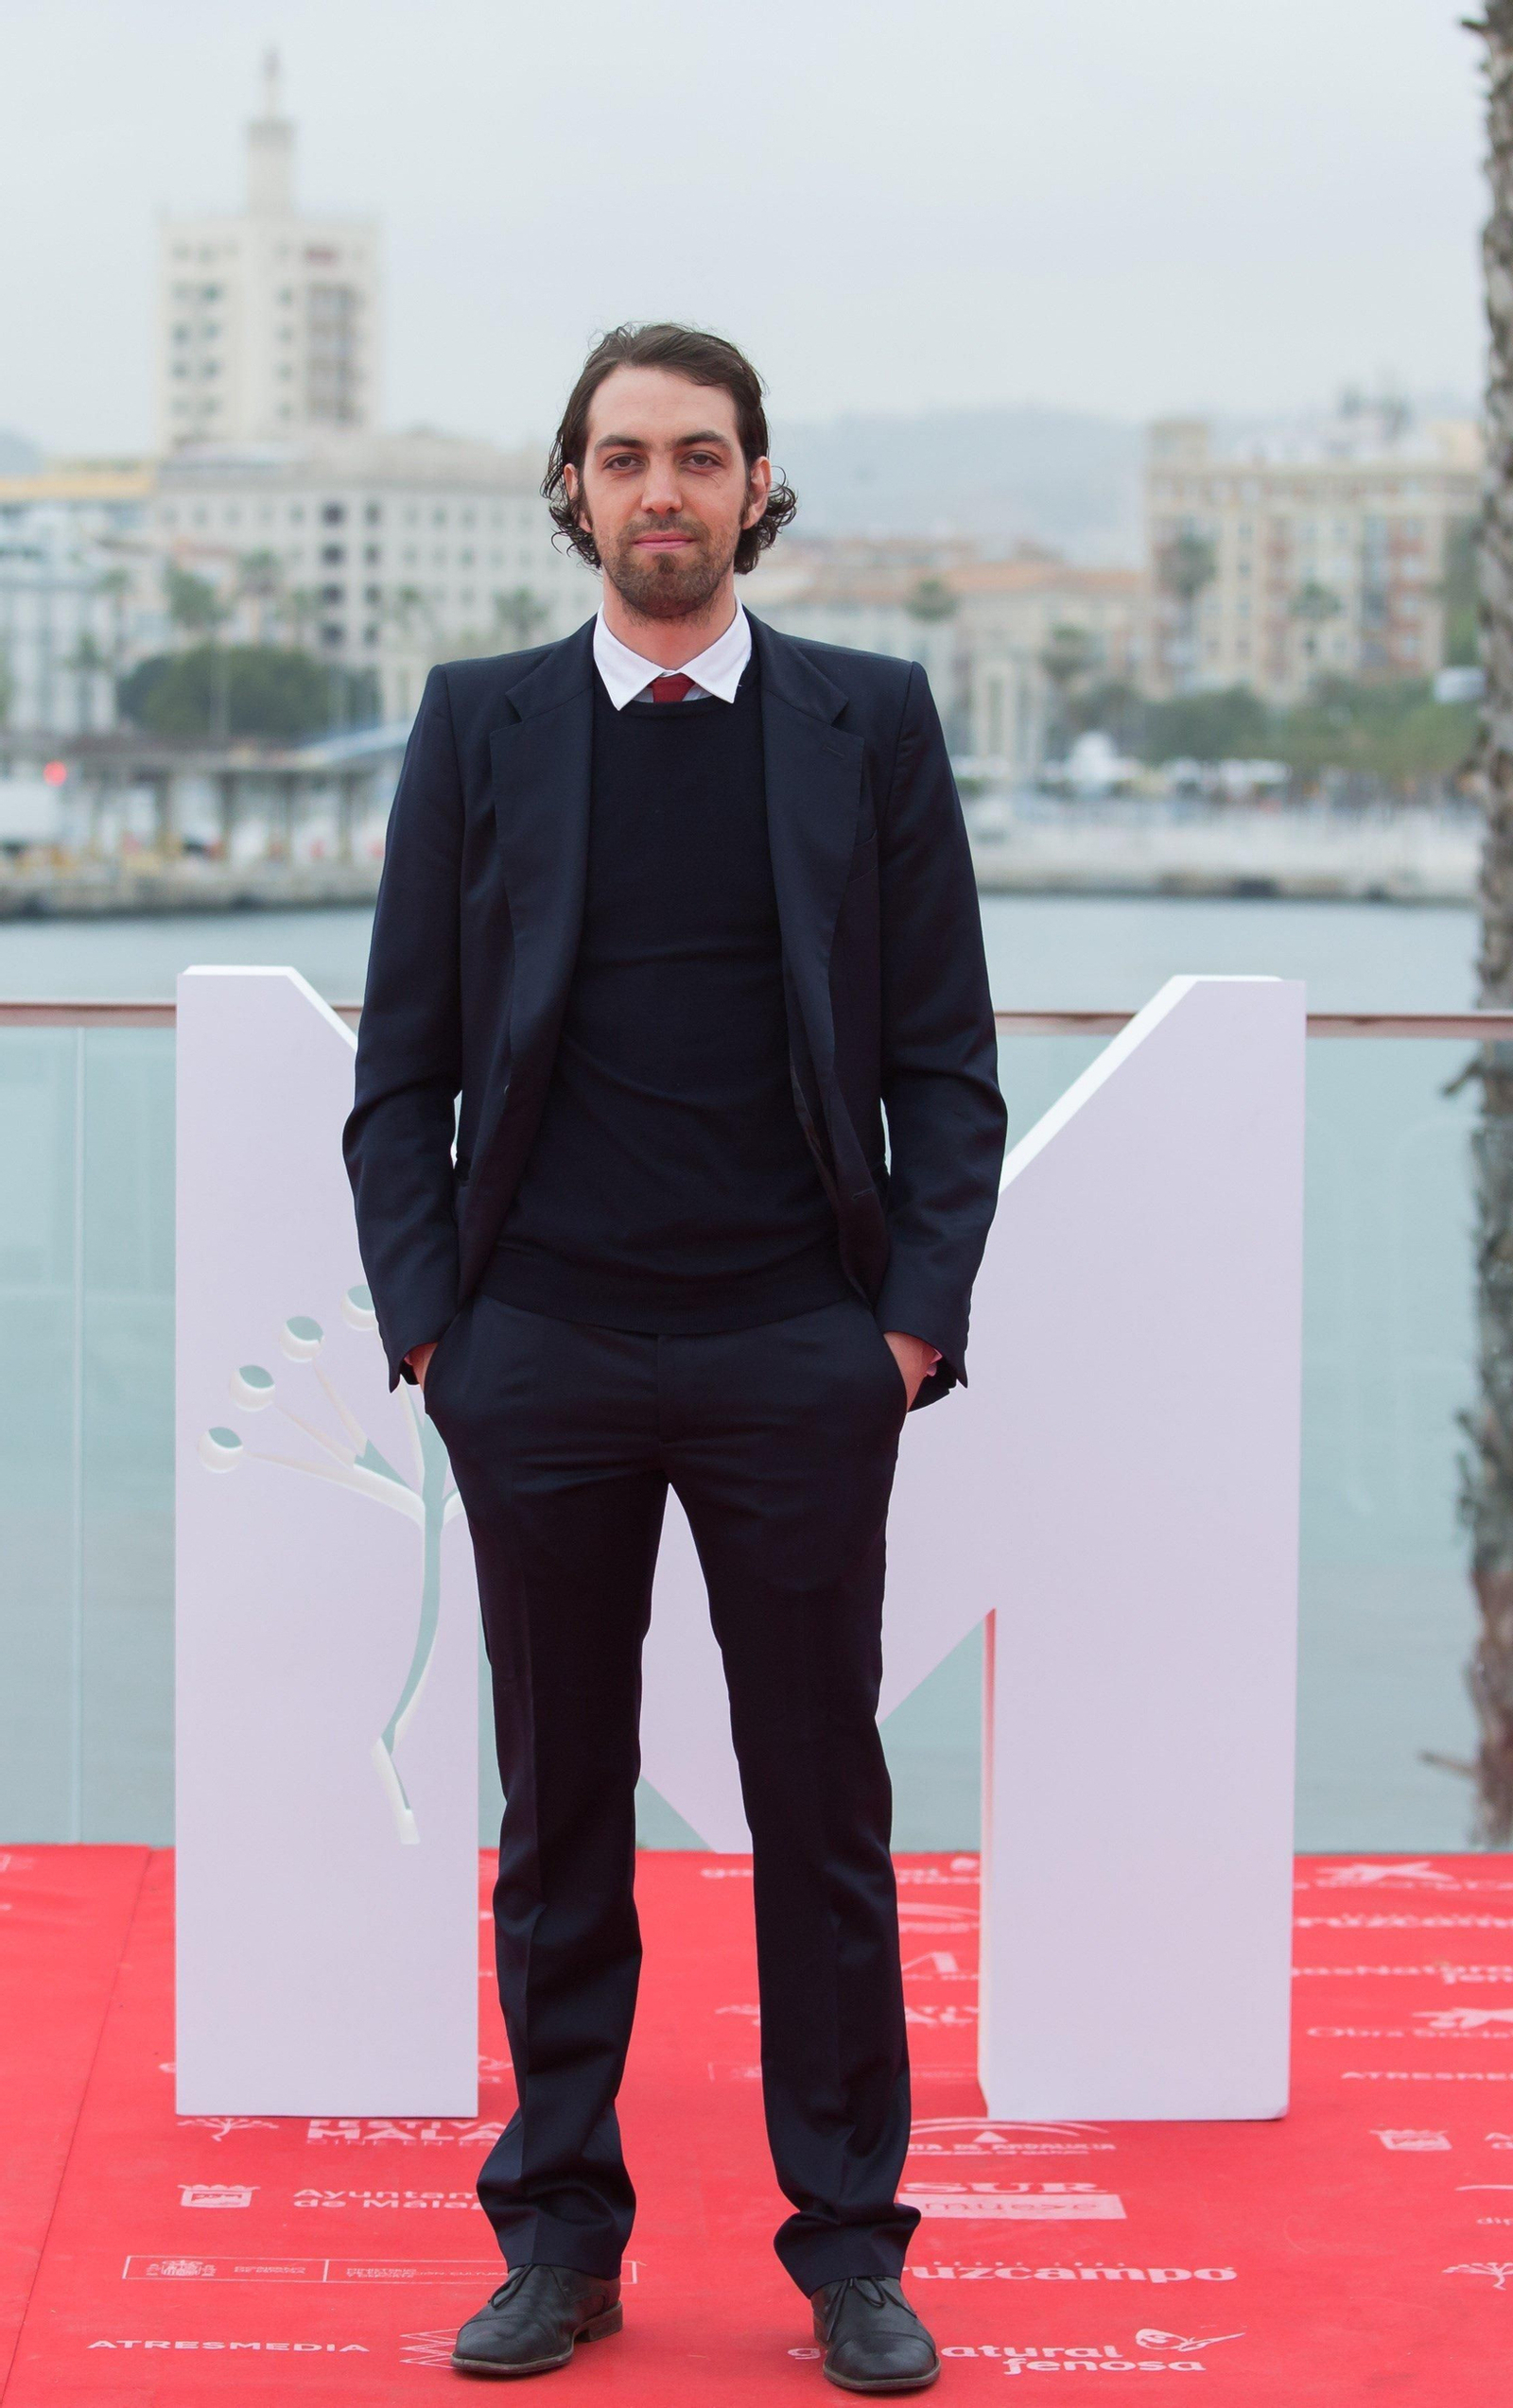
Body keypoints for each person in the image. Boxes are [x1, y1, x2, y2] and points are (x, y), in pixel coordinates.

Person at [343, 321, 1007, 2392]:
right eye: (622, 455)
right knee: (556, 1813)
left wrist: (897, 1329)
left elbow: (943, 1066)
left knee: (819, 1808)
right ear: (570, 488)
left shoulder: (863, 722)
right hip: (539, 1348)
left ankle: (846, 2251)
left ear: (751, 486)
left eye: (697, 456)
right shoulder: (478, 725)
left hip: (794, 1353)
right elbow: (404, 1071)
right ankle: (559, 2231)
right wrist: (439, 1333)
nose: (660, 490)